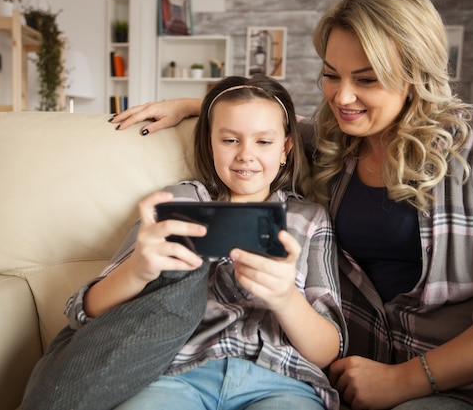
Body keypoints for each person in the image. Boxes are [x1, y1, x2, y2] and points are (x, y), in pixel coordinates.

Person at [109, 0, 473, 410]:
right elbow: (266, 126)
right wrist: (194, 104)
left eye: (366, 79)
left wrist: (407, 379)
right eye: (330, 74)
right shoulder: (331, 141)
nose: (341, 98)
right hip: (361, 372)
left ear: (416, 74)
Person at [66, 75, 346, 410]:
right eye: (229, 140)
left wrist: (285, 298)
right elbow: (85, 310)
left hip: (281, 381)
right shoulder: (178, 202)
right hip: (176, 375)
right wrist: (138, 269)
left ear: (285, 148)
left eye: (264, 142)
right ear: (210, 142)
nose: (246, 155)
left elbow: (330, 350)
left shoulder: (310, 218)